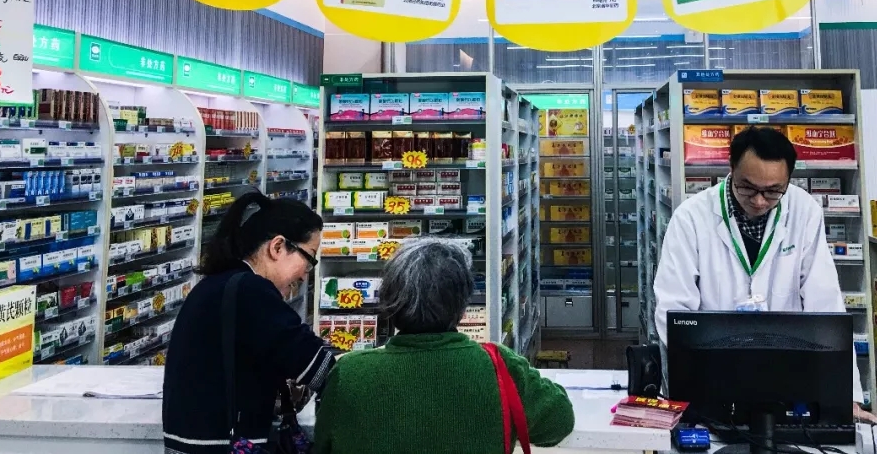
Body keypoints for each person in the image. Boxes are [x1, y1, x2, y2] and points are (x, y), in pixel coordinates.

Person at [653, 126, 877, 423]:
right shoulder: (691, 217)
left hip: (787, 375)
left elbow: (826, 304)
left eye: (773, 191)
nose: (759, 201)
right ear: (731, 168)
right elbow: (673, 309)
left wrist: (845, 398)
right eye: (747, 187)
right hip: (710, 378)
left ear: (788, 180)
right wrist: (702, 369)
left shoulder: (804, 212)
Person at [314, 236, 575, 454]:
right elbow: (559, 422)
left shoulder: (349, 373)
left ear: (389, 303)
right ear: (462, 306)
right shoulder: (498, 365)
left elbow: (323, 443)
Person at [163, 191, 335, 454]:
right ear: (277, 247)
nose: (304, 275)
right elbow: (321, 368)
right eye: (309, 258)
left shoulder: (220, 283)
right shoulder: (251, 291)